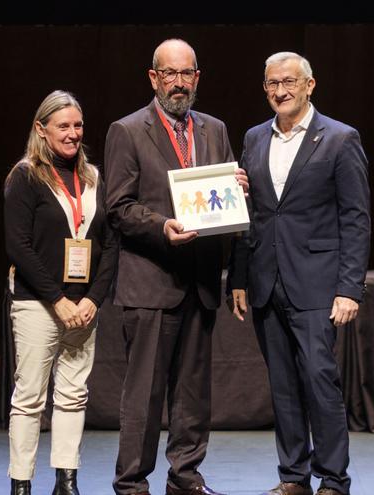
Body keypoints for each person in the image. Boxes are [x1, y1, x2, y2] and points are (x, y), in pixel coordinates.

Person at [104, 39, 248, 495]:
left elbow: (219, 200)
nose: (179, 83)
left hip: (201, 282)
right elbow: (118, 207)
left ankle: (185, 478)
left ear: (197, 78)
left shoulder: (215, 129)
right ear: (154, 78)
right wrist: (161, 225)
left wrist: (235, 186)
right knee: (144, 395)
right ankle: (131, 484)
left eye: (186, 74)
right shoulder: (127, 131)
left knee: (192, 395)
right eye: (170, 74)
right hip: (150, 283)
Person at [227, 52, 371, 495]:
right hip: (266, 282)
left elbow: (356, 217)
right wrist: (238, 277)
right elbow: (248, 213)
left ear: (310, 86)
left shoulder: (340, 139)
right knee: (283, 386)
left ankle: (333, 479)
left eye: (289, 82)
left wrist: (350, 288)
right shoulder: (253, 138)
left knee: (319, 382)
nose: (280, 91)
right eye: (272, 83)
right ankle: (293, 477)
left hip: (317, 285)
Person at [3, 90, 117, 495]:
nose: (72, 134)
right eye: (63, 126)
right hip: (39, 304)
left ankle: (66, 480)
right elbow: (19, 246)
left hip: (83, 307)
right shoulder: (25, 176)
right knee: (30, 396)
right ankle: (21, 483)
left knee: (73, 395)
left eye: (78, 126)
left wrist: (92, 299)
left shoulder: (94, 179)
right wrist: (58, 299)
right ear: (42, 129)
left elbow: (110, 244)